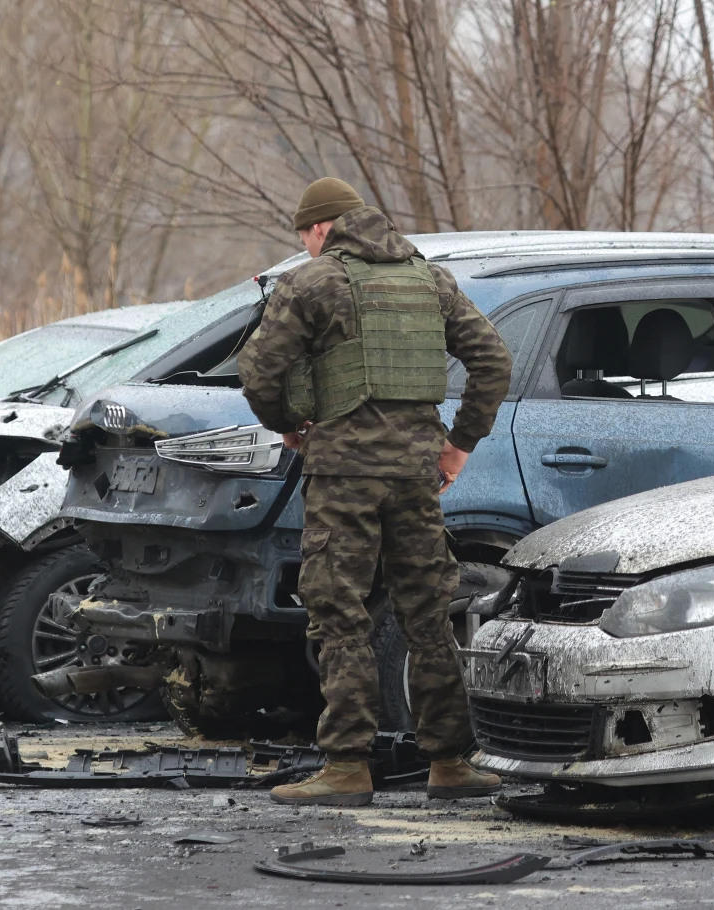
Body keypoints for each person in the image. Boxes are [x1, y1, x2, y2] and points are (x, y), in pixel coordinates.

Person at [238, 177, 513, 806]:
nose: (307, 246)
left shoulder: (311, 282)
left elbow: (258, 371)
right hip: (417, 473)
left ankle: (346, 767)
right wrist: (460, 443)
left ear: (320, 227)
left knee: (340, 614)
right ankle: (451, 763)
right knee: (428, 614)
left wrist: (287, 424)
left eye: (305, 236)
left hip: (342, 475)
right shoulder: (429, 279)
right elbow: (493, 360)